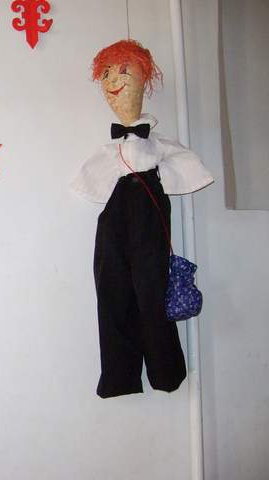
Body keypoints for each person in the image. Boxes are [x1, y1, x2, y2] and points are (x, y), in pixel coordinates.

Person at [71, 39, 213, 398]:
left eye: (123, 71)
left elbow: (188, 169)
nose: (113, 81)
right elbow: (88, 184)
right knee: (111, 288)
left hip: (149, 212)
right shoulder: (110, 150)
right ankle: (119, 377)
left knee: (152, 289)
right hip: (115, 216)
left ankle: (166, 372)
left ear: (144, 78)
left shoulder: (159, 143)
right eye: (106, 74)